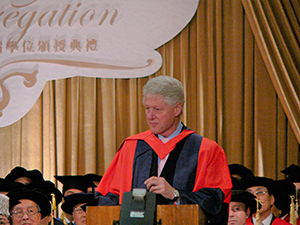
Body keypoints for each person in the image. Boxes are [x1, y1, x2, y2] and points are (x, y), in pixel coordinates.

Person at [95, 75, 232, 224]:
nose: (150, 116)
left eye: (157, 109)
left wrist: (175, 194)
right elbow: (110, 195)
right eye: (147, 108)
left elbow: (216, 203)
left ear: (177, 109)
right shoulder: (132, 146)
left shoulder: (205, 150)